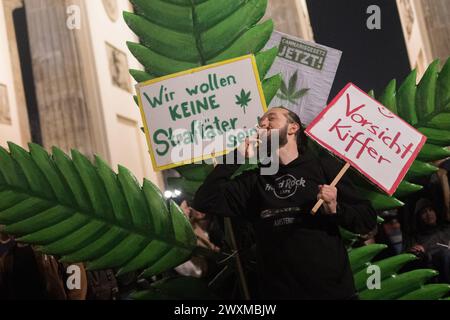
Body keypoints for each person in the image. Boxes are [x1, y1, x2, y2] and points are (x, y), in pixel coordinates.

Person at [193, 106, 377, 299]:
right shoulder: (255, 181)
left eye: (271, 118)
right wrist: (235, 157)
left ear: (293, 128)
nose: (263, 124)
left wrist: (335, 208)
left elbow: (367, 220)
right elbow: (205, 200)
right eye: (260, 121)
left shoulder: (324, 168)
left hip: (332, 292)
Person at [408, 198, 450, 283]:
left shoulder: (446, 229)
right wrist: (418, 251)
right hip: (438, 271)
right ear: (419, 217)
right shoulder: (416, 237)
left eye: (431, 210)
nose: (429, 214)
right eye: (424, 212)